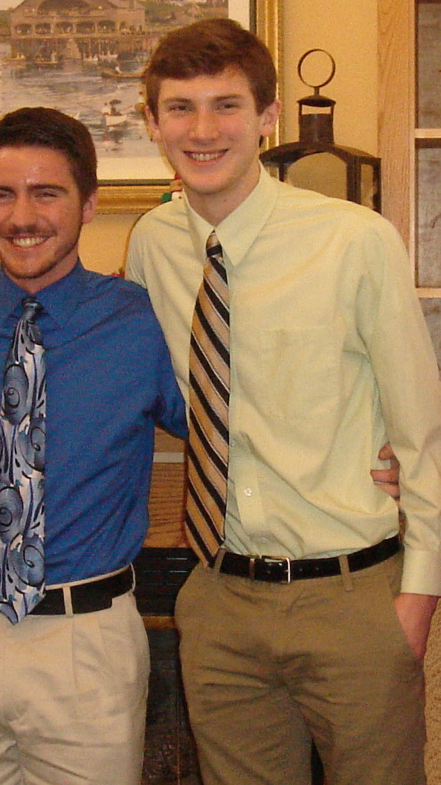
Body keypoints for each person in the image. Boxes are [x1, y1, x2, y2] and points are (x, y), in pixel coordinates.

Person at [125, 18, 441, 785]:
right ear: (152, 121)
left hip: (352, 596)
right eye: (180, 108)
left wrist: (417, 599)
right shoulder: (150, 245)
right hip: (219, 601)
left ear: (267, 118)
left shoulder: (353, 240)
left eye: (226, 105)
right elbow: (166, 397)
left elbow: (422, 430)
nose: (203, 130)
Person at [0, 107, 188, 785]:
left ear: (88, 204)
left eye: (46, 193)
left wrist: (370, 456)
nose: (20, 216)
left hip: (83, 638)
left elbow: (227, 425)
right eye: (1, 194)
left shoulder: (141, 321)